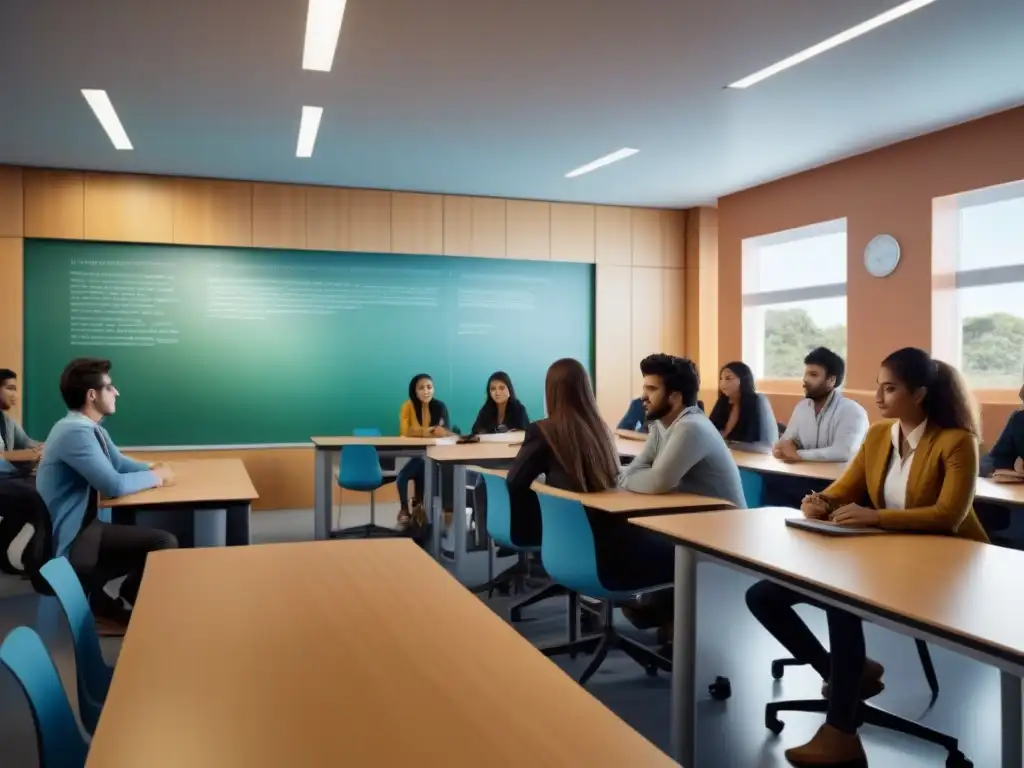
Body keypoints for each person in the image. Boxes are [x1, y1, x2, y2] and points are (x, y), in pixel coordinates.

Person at [746, 348, 987, 767]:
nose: (878, 395)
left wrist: (874, 515)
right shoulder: (879, 436)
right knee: (763, 595)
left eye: (890, 388)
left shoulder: (957, 442)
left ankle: (841, 732)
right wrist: (818, 501)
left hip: (946, 571)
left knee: (843, 600)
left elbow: (949, 516)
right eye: (878, 385)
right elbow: (844, 488)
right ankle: (844, 673)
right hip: (886, 561)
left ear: (920, 394)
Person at [35, 358, 178, 630]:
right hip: (74, 538)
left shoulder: (88, 428)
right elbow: (114, 484)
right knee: (162, 543)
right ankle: (112, 599)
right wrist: (158, 478)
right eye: (110, 387)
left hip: (87, 526)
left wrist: (152, 468)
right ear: (92, 395)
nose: (117, 393)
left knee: (156, 540)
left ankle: (102, 601)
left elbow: (119, 464)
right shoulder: (74, 433)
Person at [766, 347, 870, 508]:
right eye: (806, 374)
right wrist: (780, 449)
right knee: (769, 481)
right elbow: (786, 441)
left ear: (831, 381)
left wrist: (798, 454)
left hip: (840, 485)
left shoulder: (852, 411)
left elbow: (843, 452)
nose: (806, 379)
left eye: (813, 375)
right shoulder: (802, 407)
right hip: (805, 478)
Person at [396, 373, 452, 530]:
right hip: (416, 455)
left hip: (436, 456)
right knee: (402, 477)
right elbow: (406, 431)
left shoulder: (440, 406)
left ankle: (430, 511)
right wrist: (430, 430)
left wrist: (421, 431)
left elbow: (444, 432)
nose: (426, 391)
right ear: (414, 391)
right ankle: (404, 508)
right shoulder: (407, 406)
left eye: (429, 387)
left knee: (439, 474)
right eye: (421, 388)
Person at [707, 361, 779, 446]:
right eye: (721, 378)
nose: (722, 383)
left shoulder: (757, 402)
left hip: (750, 456)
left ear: (743, 379)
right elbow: (709, 433)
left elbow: (766, 444)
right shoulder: (722, 402)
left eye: (728, 378)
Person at [0, 369, 42, 478]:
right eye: (10, 389)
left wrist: (47, 448)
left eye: (15, 390)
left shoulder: (7, 421)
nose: (15, 395)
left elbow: (27, 442)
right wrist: (31, 455)